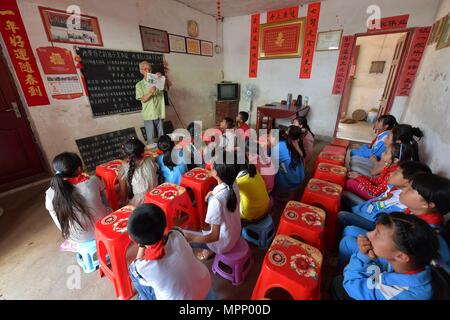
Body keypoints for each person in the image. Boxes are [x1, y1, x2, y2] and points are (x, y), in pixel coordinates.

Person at [339, 172, 450, 271]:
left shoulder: (426, 232)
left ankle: (344, 274)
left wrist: (370, 253)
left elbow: (404, 265)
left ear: (427, 204)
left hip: (391, 266)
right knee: (351, 230)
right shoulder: (415, 215)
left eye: (411, 189)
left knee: (347, 242)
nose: (403, 189)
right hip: (389, 246)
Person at [331, 213, 449, 300]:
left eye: (377, 234)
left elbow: (351, 284)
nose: (368, 234)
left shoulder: (404, 294)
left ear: (401, 256)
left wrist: (362, 256)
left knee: (338, 283)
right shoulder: (410, 263)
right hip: (383, 279)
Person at [127, 203, 214, 300]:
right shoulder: (176, 233)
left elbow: (134, 266)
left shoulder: (143, 267)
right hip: (204, 281)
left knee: (134, 276)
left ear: (133, 239)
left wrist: (142, 245)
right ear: (164, 224)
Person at [338, 161, 432, 231]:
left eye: (396, 172)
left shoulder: (405, 203)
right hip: (366, 209)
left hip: (371, 220)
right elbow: (377, 198)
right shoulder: (393, 187)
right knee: (343, 196)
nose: (391, 174)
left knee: (342, 215)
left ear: (407, 181)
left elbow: (381, 224)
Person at [184, 151, 241, 261]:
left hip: (224, 244)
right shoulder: (233, 184)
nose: (210, 165)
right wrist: (213, 193)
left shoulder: (216, 201)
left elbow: (214, 236)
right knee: (210, 198)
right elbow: (223, 195)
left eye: (212, 165)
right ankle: (208, 249)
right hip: (235, 233)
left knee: (182, 234)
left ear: (215, 173)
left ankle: (209, 251)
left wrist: (192, 238)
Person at [45, 152, 110, 248]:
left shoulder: (50, 193)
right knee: (103, 202)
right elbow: (106, 202)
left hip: (77, 238)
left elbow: (57, 217)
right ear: (80, 169)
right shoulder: (93, 181)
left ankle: (70, 234)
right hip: (104, 228)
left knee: (54, 211)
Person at [345, 143, 413, 200]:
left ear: (395, 160)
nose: (383, 153)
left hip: (377, 197)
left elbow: (376, 192)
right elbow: (377, 181)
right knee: (354, 177)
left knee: (350, 183)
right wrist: (359, 176)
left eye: (386, 152)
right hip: (376, 190)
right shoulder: (389, 166)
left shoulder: (393, 175)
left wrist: (359, 178)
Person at [356, 124, 424, 176]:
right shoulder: (396, 150)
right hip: (379, 175)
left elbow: (374, 172)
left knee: (355, 167)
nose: (385, 139)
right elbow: (379, 165)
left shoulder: (396, 156)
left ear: (398, 141)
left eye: (388, 137)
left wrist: (374, 159)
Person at [136, 61, 172, 143]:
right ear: (141, 71)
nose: (147, 71)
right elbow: (142, 100)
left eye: (149, 69)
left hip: (160, 113)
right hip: (149, 115)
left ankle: (163, 154)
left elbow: (169, 86)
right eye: (145, 69)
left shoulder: (157, 80)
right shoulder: (139, 85)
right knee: (151, 140)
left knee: (162, 138)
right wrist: (150, 92)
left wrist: (163, 77)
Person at [118, 137, 159, 207]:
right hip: (156, 197)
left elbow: (123, 197)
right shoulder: (150, 160)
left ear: (127, 155)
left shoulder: (124, 168)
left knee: (120, 202)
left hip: (139, 206)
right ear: (143, 152)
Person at [237, 155, 270, 224]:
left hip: (253, 215)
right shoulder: (254, 171)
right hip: (266, 206)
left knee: (228, 209)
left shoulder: (238, 182)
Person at [274, 125, 305, 192]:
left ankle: (280, 191)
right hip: (300, 179)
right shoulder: (291, 143)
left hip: (289, 184)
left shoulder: (278, 146)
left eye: (269, 135)